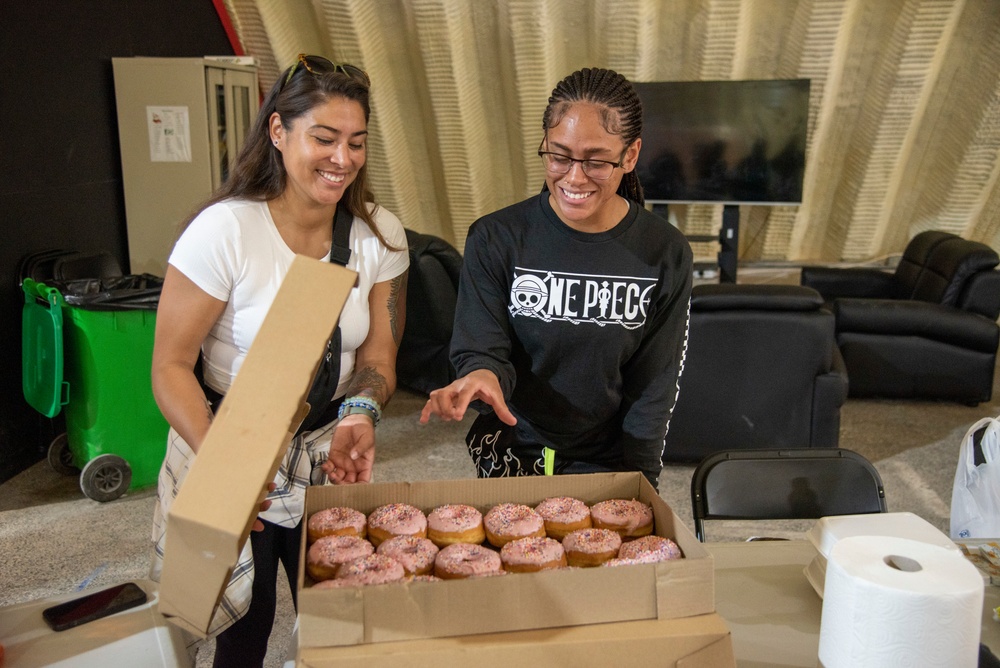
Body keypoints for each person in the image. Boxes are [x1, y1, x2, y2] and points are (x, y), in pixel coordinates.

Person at [149, 54, 408, 667]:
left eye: (356, 142)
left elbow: (378, 351)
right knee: (242, 619)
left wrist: (362, 413)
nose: (342, 159)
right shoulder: (225, 232)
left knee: (342, 612)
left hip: (322, 452)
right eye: (323, 138)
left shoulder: (379, 235)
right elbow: (170, 367)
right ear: (277, 131)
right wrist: (229, 462)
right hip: (223, 442)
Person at [420, 67, 692, 489]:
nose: (574, 177)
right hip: (513, 448)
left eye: (597, 161)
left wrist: (642, 482)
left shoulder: (664, 251)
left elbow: (654, 386)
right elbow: (483, 348)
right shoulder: (497, 238)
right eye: (559, 155)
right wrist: (480, 376)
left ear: (631, 155)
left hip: (607, 458)